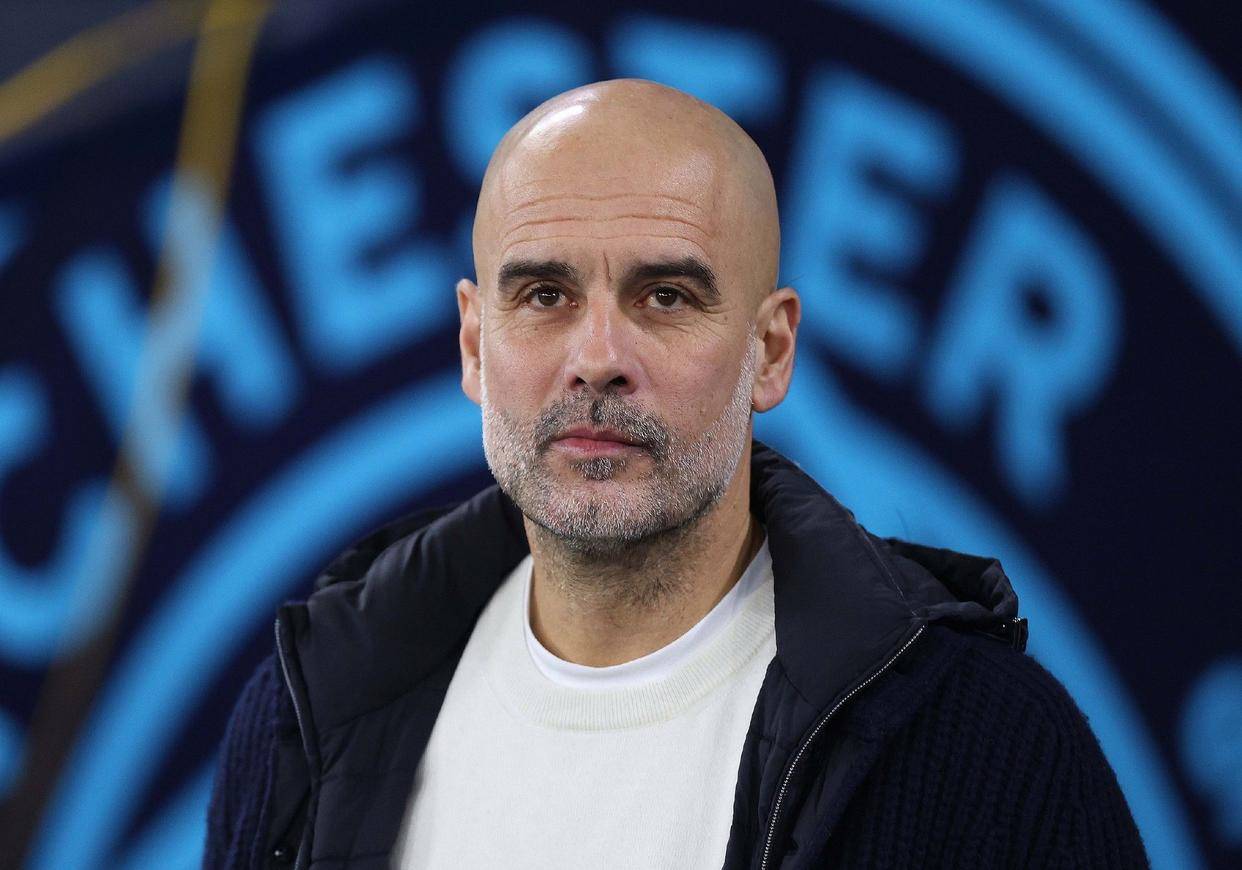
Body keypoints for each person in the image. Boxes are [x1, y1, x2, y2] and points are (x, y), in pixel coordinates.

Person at [205, 79, 1147, 869]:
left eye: (664, 296)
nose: (597, 358)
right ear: (475, 344)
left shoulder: (986, 748)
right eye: (544, 294)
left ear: (770, 351)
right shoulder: (308, 717)